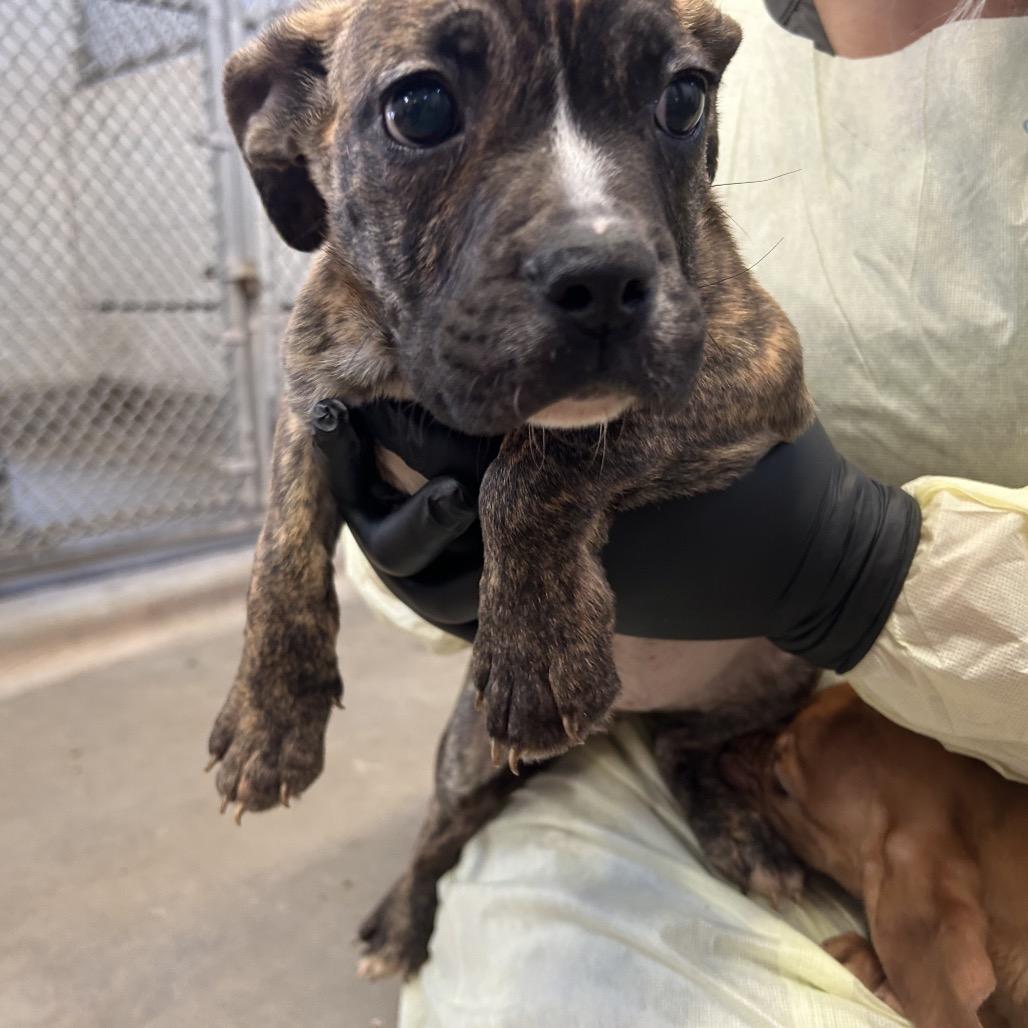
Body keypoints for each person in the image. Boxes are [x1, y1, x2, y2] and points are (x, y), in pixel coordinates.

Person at [316, 0, 1028, 1023]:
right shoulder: (662, 22)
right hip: (672, 724)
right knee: (530, 963)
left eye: (678, 103)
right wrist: (401, 550)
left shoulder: (657, 52)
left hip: (891, 727)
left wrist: (863, 567)